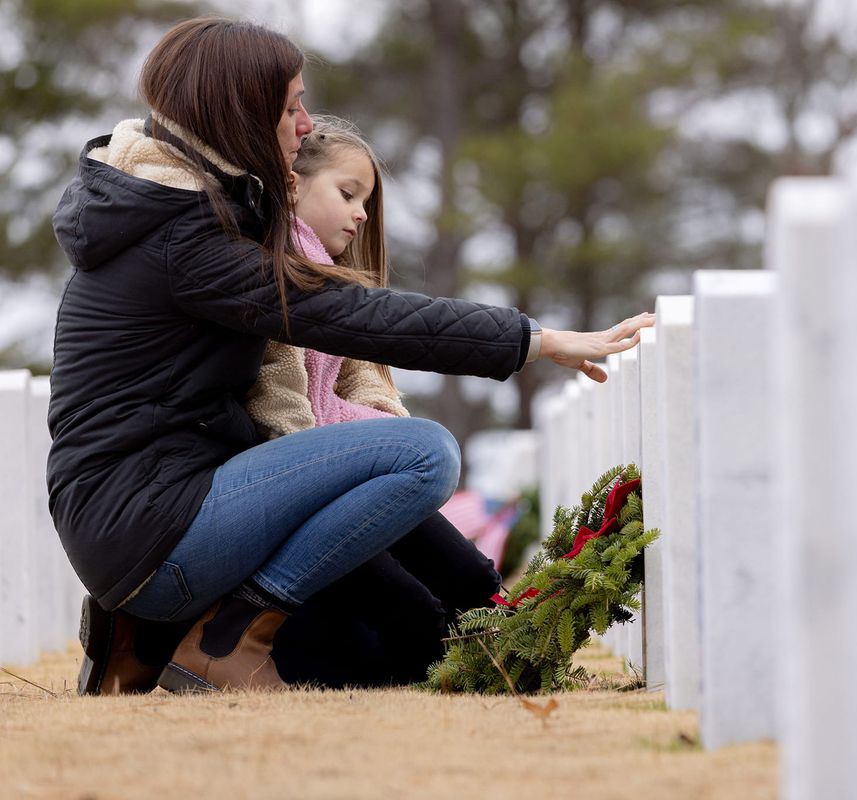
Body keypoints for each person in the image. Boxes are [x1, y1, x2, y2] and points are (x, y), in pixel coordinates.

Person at [50, 16, 652, 694]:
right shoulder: (187, 242)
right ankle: (227, 638)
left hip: (147, 515)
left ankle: (151, 634)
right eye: (290, 106)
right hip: (149, 527)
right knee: (420, 453)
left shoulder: (186, 216)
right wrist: (538, 341)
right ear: (241, 112)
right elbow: (353, 316)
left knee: (389, 624)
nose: (306, 124)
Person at [245, 115, 504, 689]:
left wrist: (383, 425)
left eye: (365, 199)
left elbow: (360, 373)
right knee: (415, 621)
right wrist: (352, 458)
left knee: (470, 578)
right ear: (292, 186)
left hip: (342, 463)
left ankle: (512, 648)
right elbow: (280, 400)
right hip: (306, 481)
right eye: (347, 193)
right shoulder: (269, 271)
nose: (361, 213)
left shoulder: (330, 279)